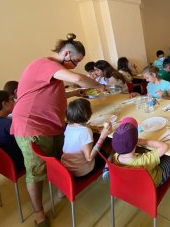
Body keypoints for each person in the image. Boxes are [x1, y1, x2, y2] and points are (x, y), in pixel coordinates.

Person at [10, 33, 106, 226]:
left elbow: (48, 90)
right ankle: (38, 213)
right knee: (36, 170)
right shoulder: (45, 63)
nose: (75, 65)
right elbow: (78, 77)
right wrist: (98, 84)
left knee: (55, 162)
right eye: (76, 61)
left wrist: (74, 92)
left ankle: (61, 188)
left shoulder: (53, 70)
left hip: (50, 125)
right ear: (67, 53)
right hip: (32, 126)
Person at [111, 118, 170, 187]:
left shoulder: (115, 156)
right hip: (154, 181)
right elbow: (164, 146)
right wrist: (144, 141)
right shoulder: (143, 161)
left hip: (134, 184)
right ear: (136, 142)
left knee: (151, 154)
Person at [61, 98, 111, 178]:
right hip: (81, 172)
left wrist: (90, 128)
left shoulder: (69, 126)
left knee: (97, 143)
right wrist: (102, 136)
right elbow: (89, 158)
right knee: (109, 145)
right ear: (86, 114)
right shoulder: (85, 131)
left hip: (66, 168)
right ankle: (107, 169)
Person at [0, 90, 24, 172]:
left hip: (1, 164)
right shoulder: (9, 124)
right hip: (18, 164)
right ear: (4, 104)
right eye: (11, 99)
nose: (14, 101)